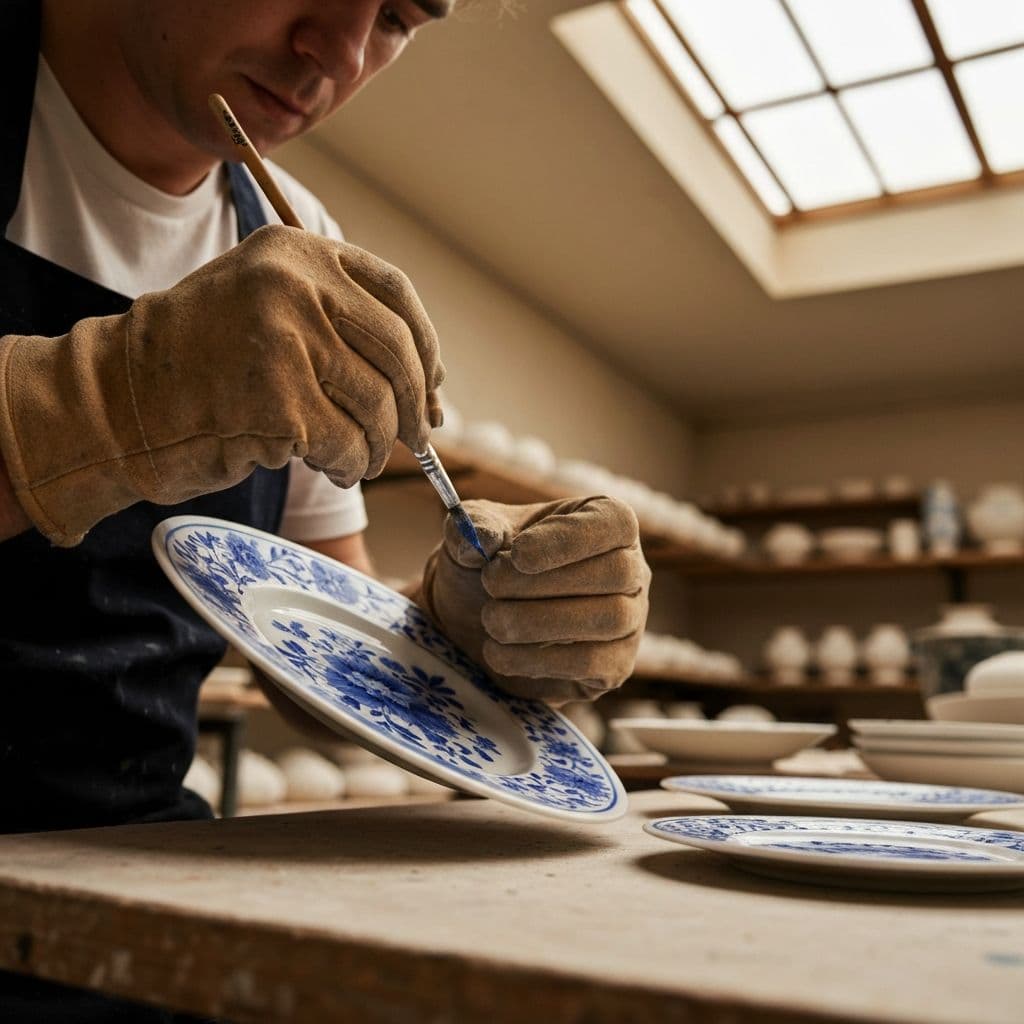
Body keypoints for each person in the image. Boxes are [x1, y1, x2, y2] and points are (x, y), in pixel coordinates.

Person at [0, 1, 651, 1018]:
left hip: (127, 868)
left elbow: (315, 657)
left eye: (397, 16)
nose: (340, 55)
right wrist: (101, 405)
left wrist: (461, 629)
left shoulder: (296, 236)